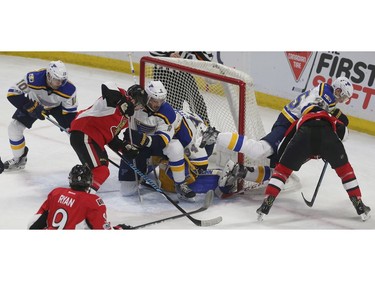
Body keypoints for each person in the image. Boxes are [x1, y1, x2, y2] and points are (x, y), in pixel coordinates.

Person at [200, 76, 354, 168]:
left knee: (277, 165)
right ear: (338, 90)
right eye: (344, 96)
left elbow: (331, 111)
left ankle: (242, 172)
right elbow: (318, 111)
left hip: (292, 125)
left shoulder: (325, 92)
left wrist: (341, 119)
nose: (343, 100)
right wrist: (339, 126)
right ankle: (215, 135)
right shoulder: (326, 95)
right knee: (259, 150)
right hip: (288, 124)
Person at [118, 80, 198, 202]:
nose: (158, 104)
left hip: (158, 144)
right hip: (141, 144)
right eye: (155, 100)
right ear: (147, 97)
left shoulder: (167, 112)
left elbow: (162, 141)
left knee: (175, 147)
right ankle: (143, 170)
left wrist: (142, 139)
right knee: (127, 191)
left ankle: (180, 184)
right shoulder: (136, 106)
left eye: (161, 100)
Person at [3, 60, 78, 171]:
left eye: (62, 80)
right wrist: (31, 107)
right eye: (56, 80)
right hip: (34, 102)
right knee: (14, 128)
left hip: (57, 108)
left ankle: (89, 162)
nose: (59, 84)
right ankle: (19, 159)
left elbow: (70, 114)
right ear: (48, 75)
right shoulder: (33, 78)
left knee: (76, 132)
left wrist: (70, 128)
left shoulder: (69, 90)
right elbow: (12, 93)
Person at [69, 81, 137, 193]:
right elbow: (107, 85)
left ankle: (80, 189)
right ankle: (84, 196)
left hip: (91, 138)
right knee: (101, 170)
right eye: (136, 102)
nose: (137, 106)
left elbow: (110, 137)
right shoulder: (112, 101)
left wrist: (123, 146)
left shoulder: (127, 118)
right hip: (84, 133)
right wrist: (122, 102)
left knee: (100, 168)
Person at [28, 164, 130, 229]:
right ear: (89, 182)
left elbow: (33, 224)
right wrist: (119, 229)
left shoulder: (56, 193)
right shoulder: (93, 201)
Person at [149, 51, 213, 125]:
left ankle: (205, 126)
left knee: (196, 101)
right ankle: (171, 127)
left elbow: (208, 57)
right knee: (173, 107)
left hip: (183, 70)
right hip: (163, 71)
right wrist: (169, 55)